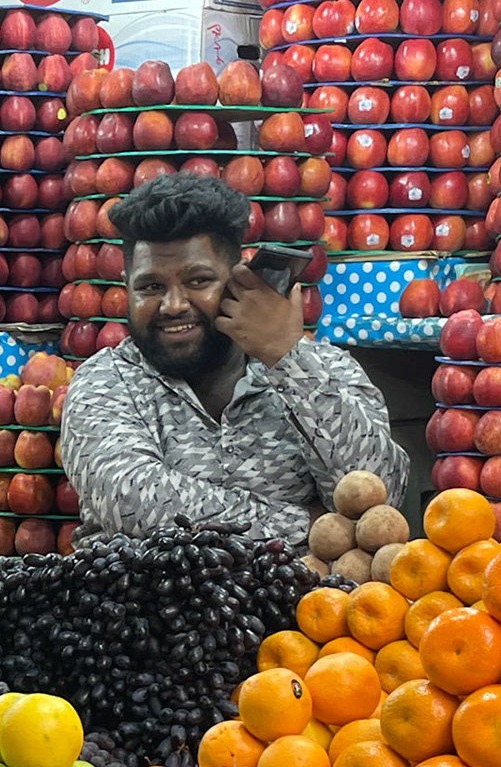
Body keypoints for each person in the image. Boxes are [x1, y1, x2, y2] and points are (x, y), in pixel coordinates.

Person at [59, 174, 408, 545]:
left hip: (308, 604)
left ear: (240, 278)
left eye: (198, 281)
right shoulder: (104, 383)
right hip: (146, 603)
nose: (174, 305)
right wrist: (319, 528)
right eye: (150, 287)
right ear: (126, 284)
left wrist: (287, 358)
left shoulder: (326, 369)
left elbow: (380, 499)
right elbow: (134, 503)